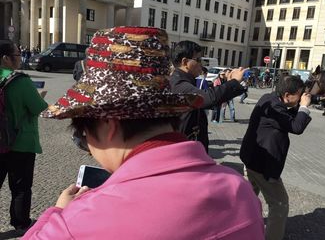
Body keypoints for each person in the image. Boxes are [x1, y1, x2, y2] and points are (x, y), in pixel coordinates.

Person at [23, 26, 264, 239]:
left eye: (84, 136)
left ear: (108, 124)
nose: (88, 147)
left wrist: (58, 213)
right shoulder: (241, 192)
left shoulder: (80, 221)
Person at [240, 75, 312, 240]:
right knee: (279, 204)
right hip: (263, 165)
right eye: (299, 94)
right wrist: (304, 107)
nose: (301, 97)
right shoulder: (275, 106)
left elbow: (286, 118)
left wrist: (299, 105)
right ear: (287, 95)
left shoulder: (270, 98)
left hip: (251, 159)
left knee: (248, 198)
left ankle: (241, 227)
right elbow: (296, 126)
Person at [0, 40, 48, 233]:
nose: (20, 58)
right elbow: (38, 108)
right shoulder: (20, 81)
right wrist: (40, 96)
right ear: (5, 58)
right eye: (17, 55)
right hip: (21, 141)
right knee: (20, 186)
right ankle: (21, 223)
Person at [169, 40, 245, 151]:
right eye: (198, 60)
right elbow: (207, 98)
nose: (201, 64)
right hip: (185, 150)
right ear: (185, 62)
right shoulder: (178, 83)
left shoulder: (184, 80)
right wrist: (234, 82)